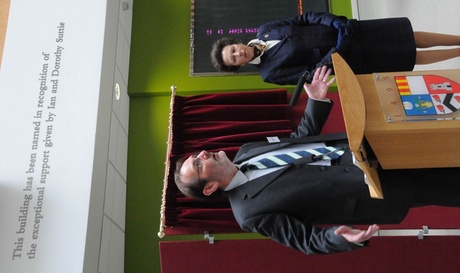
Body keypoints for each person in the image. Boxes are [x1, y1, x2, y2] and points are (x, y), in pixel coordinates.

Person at [174, 66, 460, 255]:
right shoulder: (249, 214)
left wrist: (317, 101)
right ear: (209, 187)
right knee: (446, 184)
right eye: (198, 165)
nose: (202, 154)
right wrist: (337, 238)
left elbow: (299, 140)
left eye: (196, 155)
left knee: (441, 149)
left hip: (365, 146)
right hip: (369, 188)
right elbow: (305, 240)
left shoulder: (247, 150)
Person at [210, 11, 460, 85]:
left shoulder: (265, 27)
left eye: (233, 49)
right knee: (409, 54)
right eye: (234, 59)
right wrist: (337, 52)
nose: (237, 53)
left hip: (345, 29)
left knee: (406, 34)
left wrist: (335, 22)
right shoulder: (269, 73)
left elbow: (304, 19)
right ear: (239, 66)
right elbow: (310, 74)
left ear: (236, 42)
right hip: (348, 58)